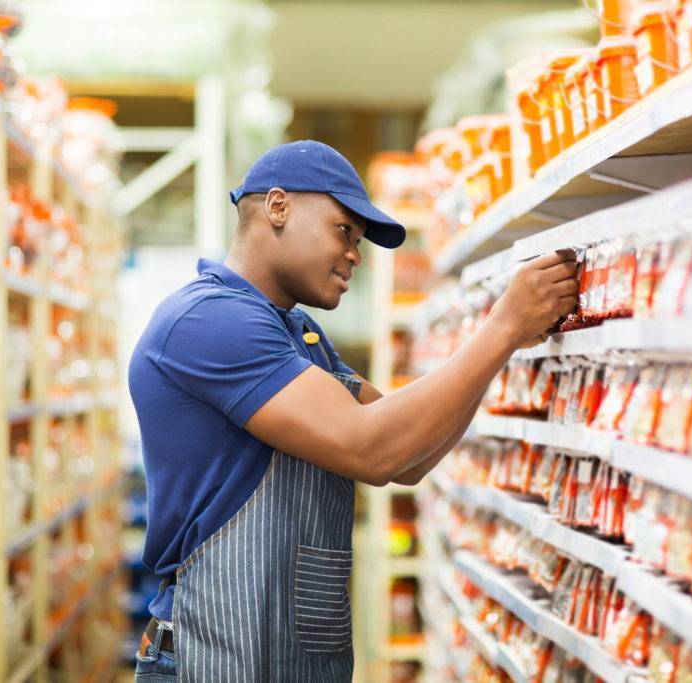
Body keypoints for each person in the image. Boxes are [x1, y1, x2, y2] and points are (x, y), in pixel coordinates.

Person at [129, 140, 577, 682]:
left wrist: (503, 343)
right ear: (277, 206)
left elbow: (411, 457)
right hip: (214, 657)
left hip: (288, 656)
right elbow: (372, 448)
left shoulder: (301, 337)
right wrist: (501, 327)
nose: (355, 256)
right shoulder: (209, 321)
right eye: (344, 230)